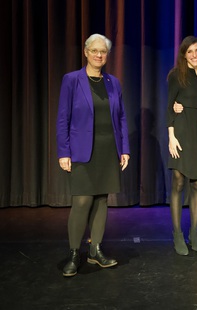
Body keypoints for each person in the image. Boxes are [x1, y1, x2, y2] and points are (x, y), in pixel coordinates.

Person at [56, 34, 130, 277]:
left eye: (104, 52)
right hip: (81, 150)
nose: (99, 55)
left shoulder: (113, 83)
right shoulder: (72, 80)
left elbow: (121, 118)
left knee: (101, 200)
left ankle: (95, 250)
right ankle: (75, 253)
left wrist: (124, 148)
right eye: (95, 51)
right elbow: (63, 118)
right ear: (86, 52)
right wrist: (63, 151)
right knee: (82, 201)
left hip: (108, 149)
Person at [166, 36, 197, 255]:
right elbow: (169, 107)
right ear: (183, 54)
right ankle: (177, 234)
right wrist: (171, 136)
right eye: (190, 51)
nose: (194, 55)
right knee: (179, 181)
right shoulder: (176, 75)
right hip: (181, 133)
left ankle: (194, 232)